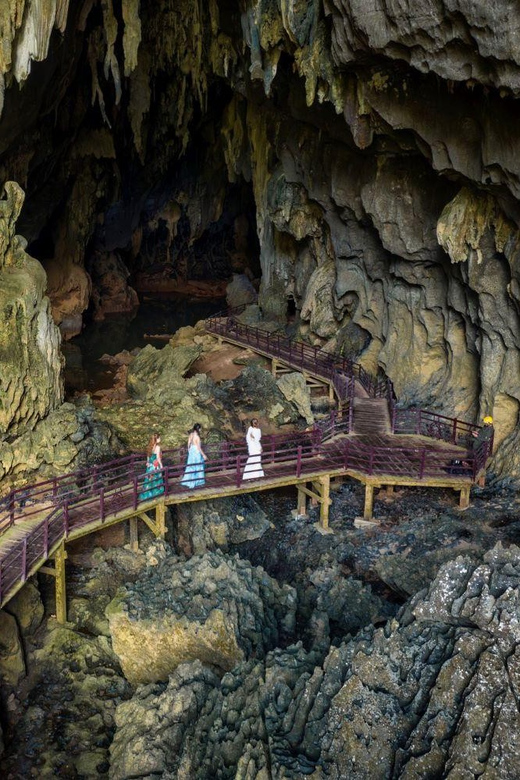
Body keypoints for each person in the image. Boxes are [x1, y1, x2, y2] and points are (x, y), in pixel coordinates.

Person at [139, 433, 165, 500]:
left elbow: (148, 458)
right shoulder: (158, 447)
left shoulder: (149, 447)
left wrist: (148, 463)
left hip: (150, 466)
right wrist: (161, 466)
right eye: (159, 438)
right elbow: (158, 458)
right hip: (155, 466)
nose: (160, 439)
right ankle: (156, 494)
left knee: (149, 481)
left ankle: (147, 494)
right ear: (157, 439)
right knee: (156, 480)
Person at [181, 424, 207, 488]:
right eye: (200, 429)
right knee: (197, 465)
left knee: (191, 465)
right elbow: (199, 447)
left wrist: (189, 449)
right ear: (198, 429)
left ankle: (189, 479)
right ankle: (197, 480)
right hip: (196, 452)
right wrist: (204, 455)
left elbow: (188, 443)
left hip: (192, 450)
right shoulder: (197, 437)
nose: (201, 430)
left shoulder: (191, 434)